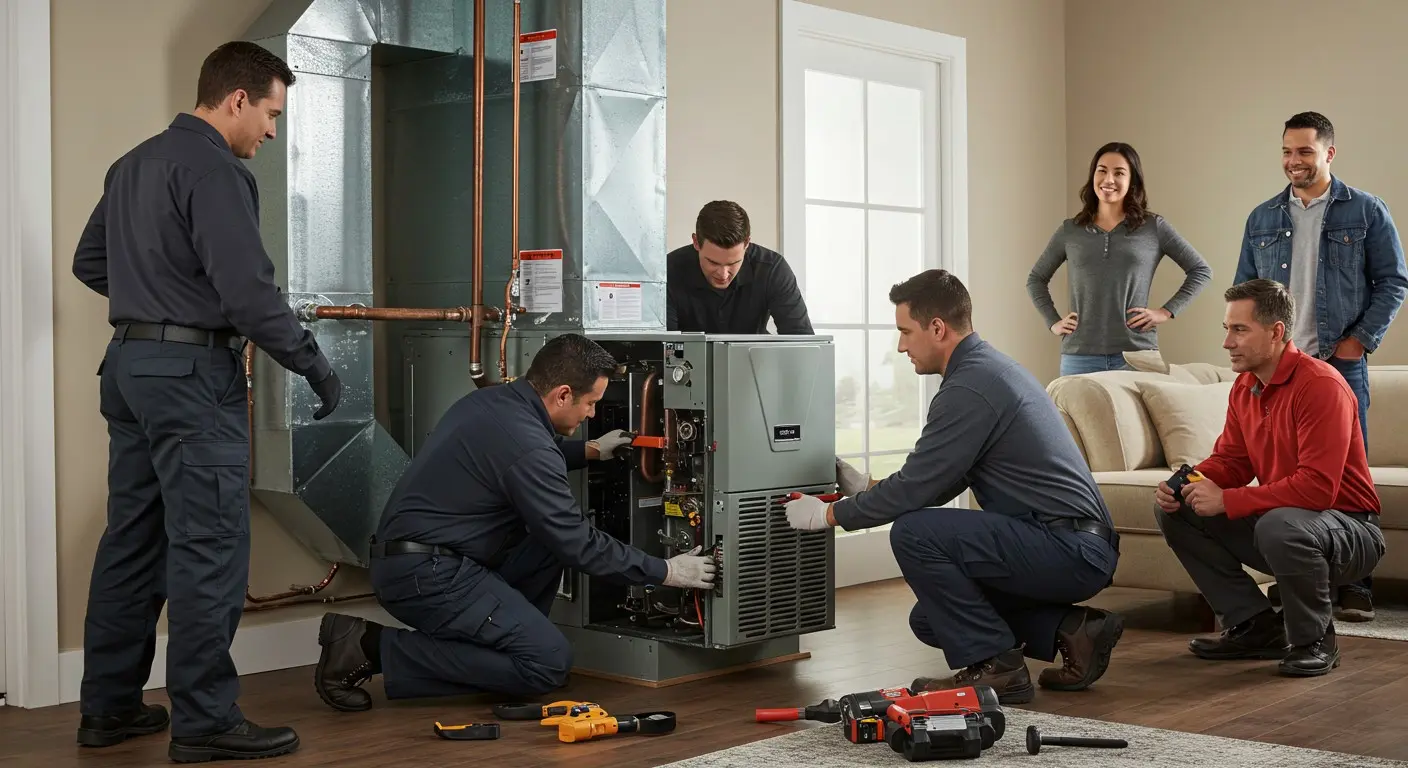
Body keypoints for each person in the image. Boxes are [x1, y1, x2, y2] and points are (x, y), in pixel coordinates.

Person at [70, 42, 340, 761]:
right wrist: (313, 365)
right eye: (271, 114)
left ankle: (109, 710)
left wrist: (152, 304)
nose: (272, 133)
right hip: (191, 381)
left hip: (127, 369)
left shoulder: (134, 163)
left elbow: (88, 261)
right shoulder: (216, 169)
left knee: (133, 542)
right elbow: (248, 293)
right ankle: (205, 723)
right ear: (236, 100)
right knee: (209, 549)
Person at [312, 334, 716, 710]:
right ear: (561, 395)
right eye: (590, 403)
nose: (592, 411)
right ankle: (368, 646)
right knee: (547, 665)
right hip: (426, 576)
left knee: (544, 544)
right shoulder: (526, 445)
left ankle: (514, 642)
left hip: (426, 560)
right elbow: (575, 541)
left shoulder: (494, 403)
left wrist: (591, 450)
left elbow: (524, 458)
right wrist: (665, 571)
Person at [785, 269, 1123, 706]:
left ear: (938, 328)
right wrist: (866, 487)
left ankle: (999, 669)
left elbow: (915, 493)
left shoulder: (970, 386)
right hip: (1068, 542)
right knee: (931, 619)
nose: (901, 345)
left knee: (914, 531)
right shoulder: (987, 369)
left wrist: (828, 515)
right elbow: (938, 480)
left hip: (1069, 547)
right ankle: (1073, 631)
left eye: (905, 331)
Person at [1154, 279, 1384, 677]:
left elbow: (1317, 488)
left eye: (1239, 329)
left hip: (1350, 530)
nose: (1227, 342)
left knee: (1281, 524)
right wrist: (1189, 482)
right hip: (1290, 524)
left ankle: (1315, 639)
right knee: (1181, 510)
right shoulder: (1245, 387)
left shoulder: (1321, 386)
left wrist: (1228, 501)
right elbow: (1232, 461)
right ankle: (1255, 625)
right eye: (1227, 329)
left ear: (1277, 332)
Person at [1234, 112, 1407, 622]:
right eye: (1287, 151)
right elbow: (1247, 291)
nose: (1294, 161)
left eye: (1305, 151)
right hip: (1278, 366)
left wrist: (1356, 343)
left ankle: (1355, 585)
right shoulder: (1262, 218)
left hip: (1338, 364)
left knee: (1346, 475)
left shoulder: (1366, 211)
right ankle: (1301, 579)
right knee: (1287, 471)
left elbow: (1394, 281)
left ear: (1329, 153)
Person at [1027, 142, 1213, 377]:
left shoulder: (1153, 227)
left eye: (1119, 172)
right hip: (1079, 356)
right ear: (1093, 175)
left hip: (1137, 355)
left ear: (1132, 180)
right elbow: (1036, 279)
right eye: (1102, 170)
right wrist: (1053, 322)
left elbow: (1201, 270)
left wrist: (1166, 312)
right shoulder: (1070, 231)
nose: (1108, 179)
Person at [666, 200, 813, 334]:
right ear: (696, 242)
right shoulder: (668, 271)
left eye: (733, 263)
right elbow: (661, 346)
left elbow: (800, 338)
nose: (723, 274)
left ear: (747, 243)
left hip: (754, 360)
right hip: (686, 362)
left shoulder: (772, 269)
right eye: (713, 262)